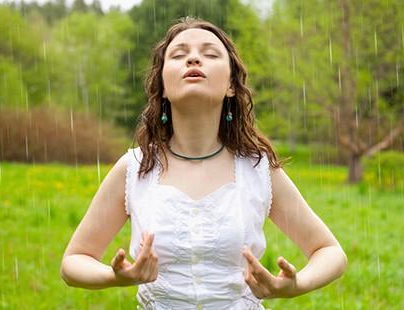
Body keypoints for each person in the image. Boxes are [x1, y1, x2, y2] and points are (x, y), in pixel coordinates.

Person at [60, 16, 347, 309]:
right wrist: (116, 276)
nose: (194, 58)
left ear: (232, 86)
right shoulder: (134, 167)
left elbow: (330, 252)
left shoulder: (258, 170)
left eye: (210, 54)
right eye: (179, 54)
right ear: (163, 86)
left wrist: (294, 286)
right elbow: (73, 262)